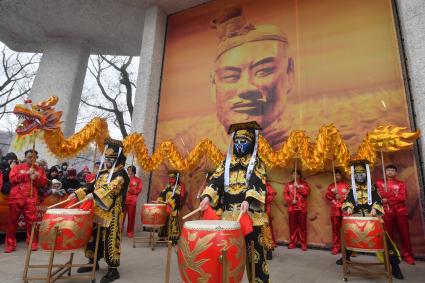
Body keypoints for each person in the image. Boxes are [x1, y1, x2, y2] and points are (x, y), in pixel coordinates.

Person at [211, 6, 294, 148]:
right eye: (231, 76)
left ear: (289, 74)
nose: (246, 88)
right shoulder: (206, 150)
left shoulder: (302, 146)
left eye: (263, 71)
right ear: (213, 85)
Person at [200, 121, 271, 283]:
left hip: (250, 218)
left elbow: (257, 181)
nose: (239, 146)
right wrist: (207, 197)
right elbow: (215, 181)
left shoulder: (256, 162)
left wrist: (248, 199)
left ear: (252, 143)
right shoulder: (226, 163)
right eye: (236, 142)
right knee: (228, 256)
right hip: (229, 219)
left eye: (243, 142)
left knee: (255, 257)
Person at [71, 138, 129, 283]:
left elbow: (113, 187)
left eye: (111, 158)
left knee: (110, 239)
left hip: (112, 212)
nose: (108, 160)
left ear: (117, 159)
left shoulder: (121, 174)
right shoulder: (102, 172)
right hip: (97, 210)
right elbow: (92, 185)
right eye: (107, 157)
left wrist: (95, 194)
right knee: (93, 236)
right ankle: (92, 262)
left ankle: (113, 269)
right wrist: (78, 192)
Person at [337, 160, 404, 280]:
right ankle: (345, 258)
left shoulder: (372, 187)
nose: (359, 177)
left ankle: (395, 267)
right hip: (356, 218)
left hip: (372, 218)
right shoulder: (352, 188)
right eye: (357, 175)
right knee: (350, 238)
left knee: (383, 242)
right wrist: (348, 207)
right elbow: (348, 200)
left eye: (362, 174)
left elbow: (377, 200)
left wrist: (375, 208)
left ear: (366, 174)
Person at [4, 149, 47, 253]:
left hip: (31, 198)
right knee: (12, 222)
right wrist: (27, 174)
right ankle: (10, 244)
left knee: (32, 222)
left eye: (34, 157)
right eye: (29, 156)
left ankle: (32, 242)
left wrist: (36, 177)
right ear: (25, 157)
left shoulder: (39, 170)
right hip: (16, 198)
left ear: (36, 158)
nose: (32, 159)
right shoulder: (17, 167)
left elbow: (44, 182)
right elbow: (12, 179)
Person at [376, 164, 415, 265]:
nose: (390, 172)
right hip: (386, 211)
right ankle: (391, 255)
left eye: (392, 170)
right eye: (388, 170)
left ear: (396, 172)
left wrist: (388, 198)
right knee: (388, 234)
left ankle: (408, 255)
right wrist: (389, 196)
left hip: (400, 211)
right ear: (385, 172)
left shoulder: (401, 184)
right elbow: (377, 196)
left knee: (404, 233)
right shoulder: (379, 183)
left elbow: (402, 197)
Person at [283, 170, 311, 251]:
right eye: (293, 174)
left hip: (302, 208)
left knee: (302, 227)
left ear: (299, 175)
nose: (294, 175)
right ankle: (292, 242)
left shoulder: (304, 184)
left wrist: (298, 187)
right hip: (292, 208)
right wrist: (291, 201)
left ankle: (303, 243)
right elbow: (285, 194)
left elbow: (307, 192)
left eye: (295, 174)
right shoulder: (288, 185)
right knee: (292, 227)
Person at [156, 170, 185, 243]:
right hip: (165, 207)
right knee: (164, 222)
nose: (171, 180)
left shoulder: (179, 187)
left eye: (173, 178)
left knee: (173, 222)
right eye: (170, 178)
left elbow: (176, 197)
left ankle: (173, 239)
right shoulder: (168, 187)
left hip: (173, 208)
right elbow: (162, 193)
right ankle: (162, 237)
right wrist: (159, 200)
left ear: (176, 179)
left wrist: (169, 202)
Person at [325, 169, 349, 255]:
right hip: (335, 210)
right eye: (335, 175)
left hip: (344, 210)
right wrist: (333, 194)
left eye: (338, 175)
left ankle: (348, 248)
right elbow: (327, 197)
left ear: (341, 176)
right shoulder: (331, 186)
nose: (336, 177)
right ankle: (336, 247)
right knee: (335, 230)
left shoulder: (346, 185)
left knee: (346, 229)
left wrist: (341, 197)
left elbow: (349, 197)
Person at [123, 165, 142, 238]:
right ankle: (119, 230)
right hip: (124, 200)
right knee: (122, 217)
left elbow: (139, 190)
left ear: (133, 171)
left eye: (130, 170)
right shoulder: (125, 179)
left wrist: (130, 190)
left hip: (132, 201)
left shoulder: (138, 180)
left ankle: (130, 231)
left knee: (131, 217)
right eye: (128, 170)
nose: (128, 171)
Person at [265, 182, 277, 260]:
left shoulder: (268, 186)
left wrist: (263, 200)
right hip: (253, 211)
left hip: (265, 210)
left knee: (266, 230)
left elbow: (271, 196)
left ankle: (269, 249)